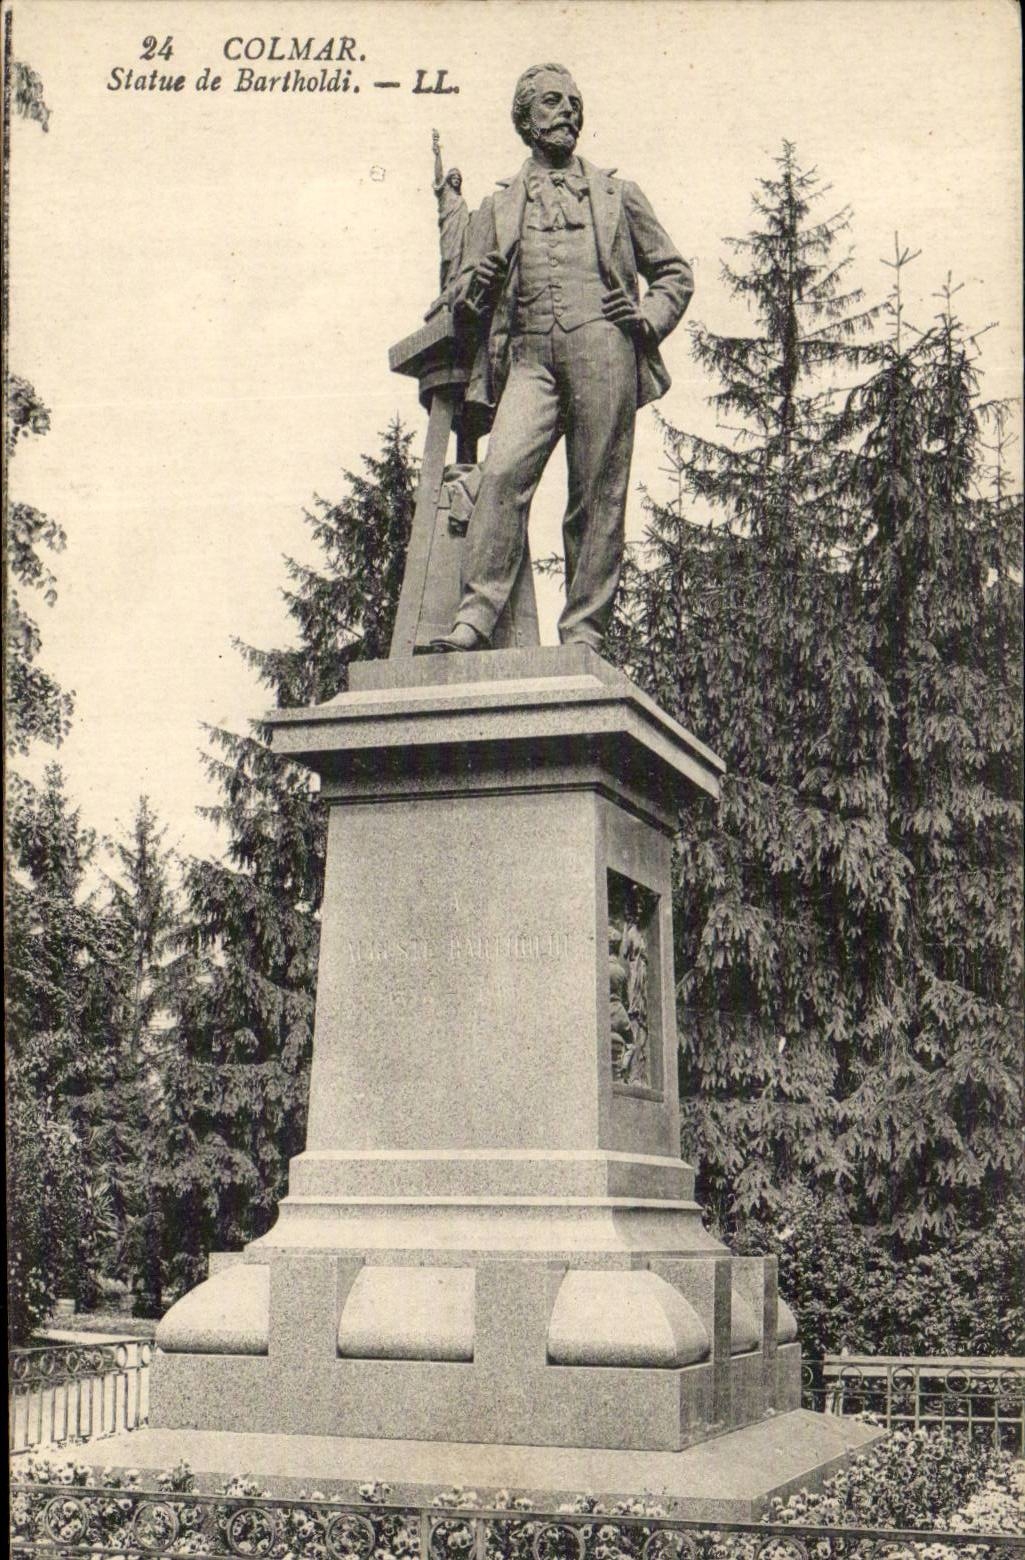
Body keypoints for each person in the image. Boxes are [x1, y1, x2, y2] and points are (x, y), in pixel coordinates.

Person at [430, 63, 693, 653]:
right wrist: (483, 284)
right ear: (525, 119)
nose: (569, 111)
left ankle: (584, 631)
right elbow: (464, 303)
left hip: (604, 346)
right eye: (553, 102)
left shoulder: (618, 194)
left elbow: (674, 272)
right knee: (500, 476)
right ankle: (475, 616)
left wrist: (647, 318)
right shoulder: (496, 209)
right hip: (528, 354)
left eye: (576, 102)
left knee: (598, 491)